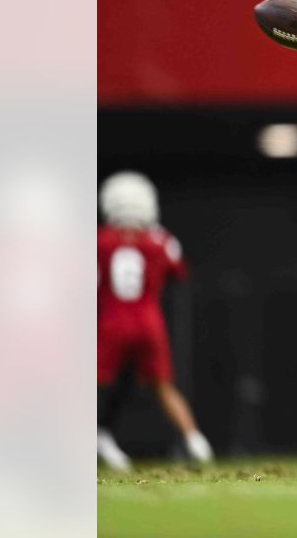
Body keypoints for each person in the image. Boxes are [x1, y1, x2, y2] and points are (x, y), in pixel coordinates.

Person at [97, 171, 213, 469]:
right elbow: (179, 272)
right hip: (149, 322)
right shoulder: (161, 240)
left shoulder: (100, 241)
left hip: (111, 322)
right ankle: (196, 441)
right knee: (162, 385)